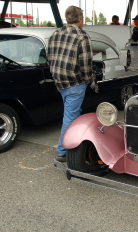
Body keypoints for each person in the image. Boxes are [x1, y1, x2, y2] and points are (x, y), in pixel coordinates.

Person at [47, 5, 98, 162]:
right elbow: (86, 66)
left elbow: (49, 57)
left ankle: (72, 142)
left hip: (59, 81)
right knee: (71, 116)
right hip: (75, 83)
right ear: (80, 19)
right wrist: (92, 83)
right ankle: (63, 150)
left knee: (70, 112)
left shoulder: (55, 33)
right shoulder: (83, 36)